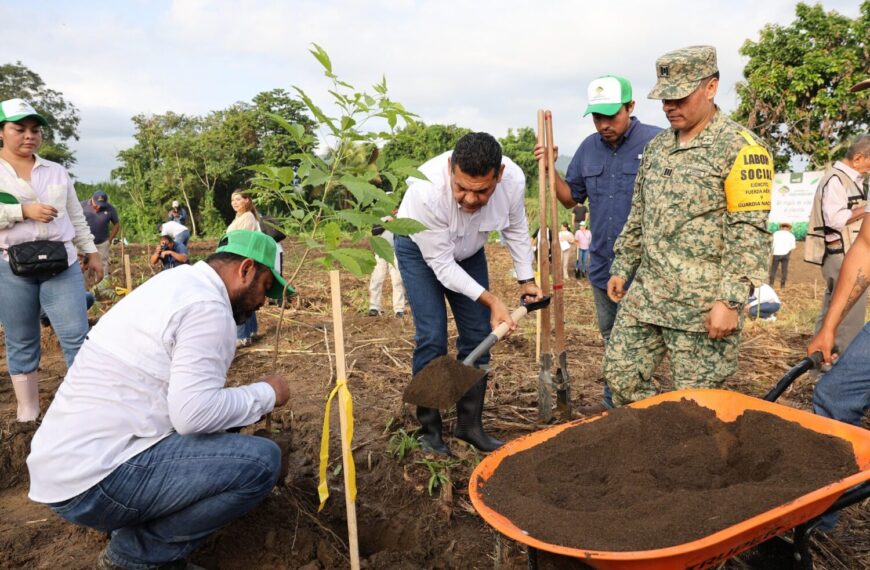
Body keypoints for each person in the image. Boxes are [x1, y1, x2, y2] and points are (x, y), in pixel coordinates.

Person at [27, 230, 293, 569]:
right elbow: (193, 416)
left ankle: (136, 528)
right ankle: (134, 554)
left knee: (224, 428)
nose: (263, 301)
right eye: (265, 286)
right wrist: (268, 393)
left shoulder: (176, 284)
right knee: (261, 462)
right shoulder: (208, 308)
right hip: (95, 481)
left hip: (68, 468)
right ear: (245, 269)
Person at [604, 46, 772, 406]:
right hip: (648, 296)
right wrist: (622, 265)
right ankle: (653, 448)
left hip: (702, 309)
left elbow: (749, 232)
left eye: (679, 96)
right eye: (665, 98)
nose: (669, 107)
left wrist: (730, 300)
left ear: (711, 88)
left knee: (699, 407)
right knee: (620, 377)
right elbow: (640, 213)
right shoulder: (657, 148)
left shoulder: (741, 149)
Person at [395, 132, 541, 455]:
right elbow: (444, 268)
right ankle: (429, 431)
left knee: (478, 334)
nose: (469, 200)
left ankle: (469, 425)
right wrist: (491, 299)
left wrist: (526, 279)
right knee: (432, 335)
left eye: (481, 191)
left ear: (499, 176)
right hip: (419, 250)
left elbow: (515, 228)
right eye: (461, 188)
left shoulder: (513, 181)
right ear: (450, 167)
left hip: (469, 250)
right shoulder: (426, 192)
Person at [534, 74, 661, 410]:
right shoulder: (589, 148)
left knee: (644, 343)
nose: (604, 124)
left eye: (611, 115)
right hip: (603, 266)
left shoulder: (658, 143)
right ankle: (613, 407)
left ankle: (642, 407)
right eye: (597, 117)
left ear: (631, 107)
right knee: (611, 339)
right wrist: (550, 168)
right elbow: (569, 199)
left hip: (647, 269)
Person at [0, 98, 102, 423]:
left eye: (35, 130)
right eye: (20, 129)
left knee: (76, 335)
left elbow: (76, 215)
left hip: (61, 264)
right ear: (2, 132)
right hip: (11, 267)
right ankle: (28, 413)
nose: (29, 136)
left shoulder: (56, 171)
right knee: (21, 340)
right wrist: (21, 211)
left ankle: (82, 408)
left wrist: (92, 251)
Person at [809, 135, 869, 352]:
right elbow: (834, 219)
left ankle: (820, 362)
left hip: (847, 251)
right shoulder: (835, 179)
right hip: (842, 254)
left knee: (832, 311)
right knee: (849, 316)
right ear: (858, 158)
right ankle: (838, 365)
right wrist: (867, 209)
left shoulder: (851, 180)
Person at [227, 190, 262, 347]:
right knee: (246, 297)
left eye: (238, 199)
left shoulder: (247, 217)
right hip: (242, 262)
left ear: (247, 201)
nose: (234, 202)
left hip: (242, 263)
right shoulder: (239, 217)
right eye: (232, 200)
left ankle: (241, 336)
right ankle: (251, 332)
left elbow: (242, 243)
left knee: (238, 298)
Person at [368, 214, 406, 318]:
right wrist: (386, 223)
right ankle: (374, 307)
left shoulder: (401, 214)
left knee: (397, 280)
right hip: (380, 251)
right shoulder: (379, 216)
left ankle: (399, 309)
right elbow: (374, 231)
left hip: (395, 252)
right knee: (377, 279)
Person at [81, 190, 120, 285]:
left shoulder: (110, 208)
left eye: (101, 204)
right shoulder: (81, 205)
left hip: (101, 243)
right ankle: (83, 289)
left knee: (103, 265)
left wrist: (109, 240)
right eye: (97, 204)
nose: (99, 206)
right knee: (82, 264)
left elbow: (116, 224)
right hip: (83, 242)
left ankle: (103, 290)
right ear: (92, 199)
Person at [769, 222, 796, 288]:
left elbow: (772, 244)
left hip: (776, 253)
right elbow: (793, 247)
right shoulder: (791, 235)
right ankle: (782, 285)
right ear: (788, 228)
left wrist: (771, 251)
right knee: (784, 270)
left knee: (773, 269)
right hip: (786, 254)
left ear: (781, 227)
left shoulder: (776, 234)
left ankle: (771, 284)